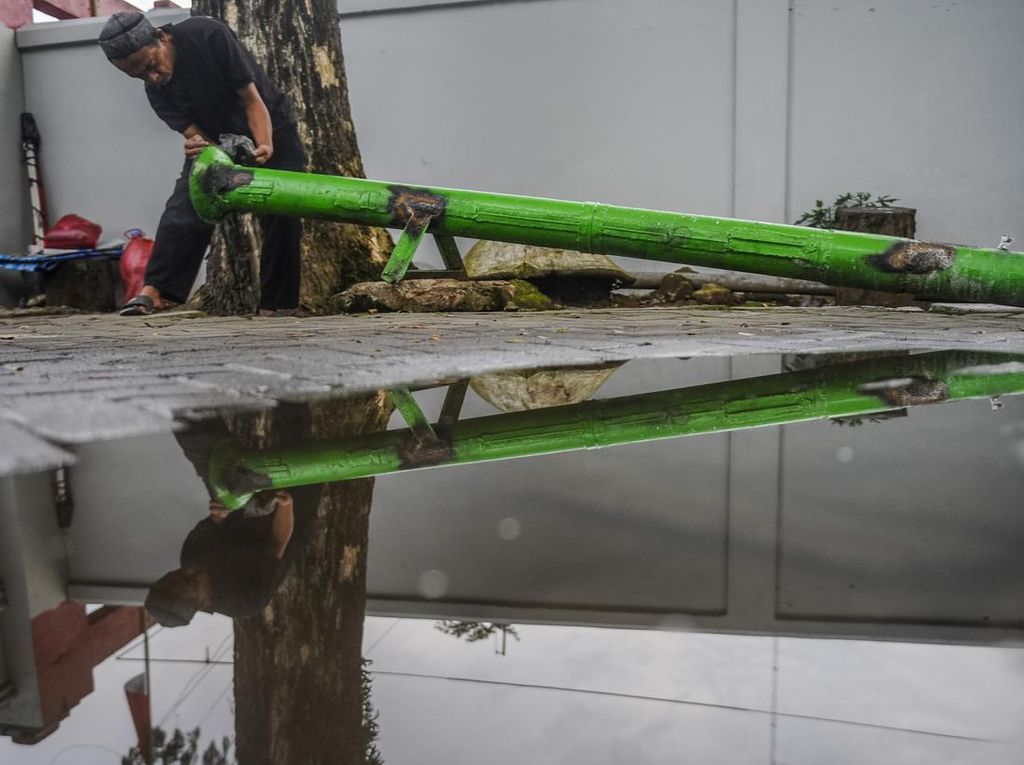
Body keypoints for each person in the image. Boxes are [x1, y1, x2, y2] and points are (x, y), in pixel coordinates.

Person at [98, 11, 304, 317]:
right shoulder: (156, 92)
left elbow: (251, 99)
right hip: (219, 142)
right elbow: (195, 135)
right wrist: (200, 146)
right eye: (139, 75)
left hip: (271, 128)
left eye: (152, 66)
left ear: (161, 37)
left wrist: (264, 147)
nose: (152, 78)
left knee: (282, 213)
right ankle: (156, 290)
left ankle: (276, 306)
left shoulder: (207, 35)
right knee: (186, 201)